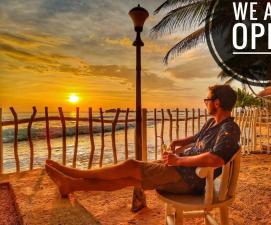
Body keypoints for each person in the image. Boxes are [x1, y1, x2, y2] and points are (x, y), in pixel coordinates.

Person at [45, 84, 240, 197]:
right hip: (181, 172)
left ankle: (72, 173)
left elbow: (216, 159)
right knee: (129, 179)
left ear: (217, 103)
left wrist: (178, 160)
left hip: (189, 179)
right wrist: (178, 143)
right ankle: (70, 185)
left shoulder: (229, 129)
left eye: (207, 100)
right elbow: (197, 138)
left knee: (130, 165)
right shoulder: (211, 123)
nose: (205, 103)